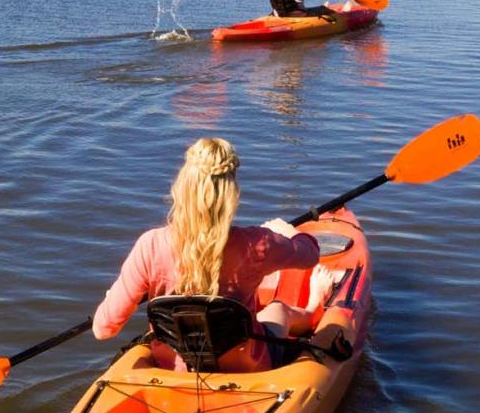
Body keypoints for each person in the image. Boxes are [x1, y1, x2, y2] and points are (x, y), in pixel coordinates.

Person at [92, 137, 321, 371]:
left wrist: (114, 298)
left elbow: (102, 330)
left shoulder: (150, 245)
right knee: (278, 308)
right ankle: (313, 309)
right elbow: (311, 255)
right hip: (246, 366)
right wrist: (290, 233)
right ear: (232, 194)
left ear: (182, 187)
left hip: (171, 367)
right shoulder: (259, 243)